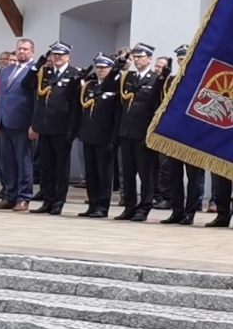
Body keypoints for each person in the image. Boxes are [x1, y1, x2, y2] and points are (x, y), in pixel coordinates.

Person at [26, 41, 83, 216]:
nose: (57, 58)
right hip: (44, 126)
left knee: (61, 167)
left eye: (61, 55)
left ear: (68, 57)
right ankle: (47, 200)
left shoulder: (75, 74)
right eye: (55, 55)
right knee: (46, 166)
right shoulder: (45, 73)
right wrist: (37, 66)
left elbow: (75, 106)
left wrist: (72, 129)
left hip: (62, 127)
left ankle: (58, 202)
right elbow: (27, 85)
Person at [114, 44, 162, 221]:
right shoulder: (128, 77)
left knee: (145, 174)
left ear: (149, 58)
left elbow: (156, 109)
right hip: (126, 132)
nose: (138, 60)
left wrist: (150, 134)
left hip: (143, 134)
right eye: (135, 57)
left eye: (142, 57)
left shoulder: (155, 79)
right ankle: (129, 206)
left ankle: (144, 207)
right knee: (127, 173)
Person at [0, 38, 38, 211]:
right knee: (7, 161)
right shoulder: (6, 70)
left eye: (25, 49)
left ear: (32, 52)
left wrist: (34, 124)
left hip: (23, 123)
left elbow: (36, 100)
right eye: (19, 49)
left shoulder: (35, 71)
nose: (22, 52)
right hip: (4, 121)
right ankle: (9, 195)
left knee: (23, 161)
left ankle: (24, 197)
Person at [159, 44, 204, 225]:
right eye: (179, 59)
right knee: (174, 176)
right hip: (174, 135)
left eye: (184, 58)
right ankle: (177, 211)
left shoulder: (201, 79)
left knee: (193, 177)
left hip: (194, 136)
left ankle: (190, 212)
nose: (182, 61)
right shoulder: (171, 81)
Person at [76, 55, 121, 218]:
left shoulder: (114, 87)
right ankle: (92, 203)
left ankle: (103, 206)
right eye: (99, 67)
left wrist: (114, 139)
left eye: (105, 67)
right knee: (91, 173)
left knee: (104, 174)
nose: (101, 70)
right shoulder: (90, 86)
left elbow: (116, 115)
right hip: (89, 135)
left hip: (105, 137)